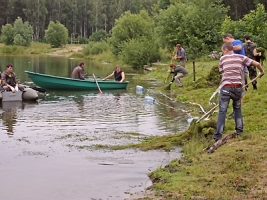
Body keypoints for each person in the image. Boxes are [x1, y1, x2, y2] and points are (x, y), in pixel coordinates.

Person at [213, 42, 264, 141]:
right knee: (237, 109)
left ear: (226, 50)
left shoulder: (222, 59)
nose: (223, 53)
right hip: (238, 88)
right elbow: (257, 63)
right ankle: (239, 131)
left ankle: (218, 135)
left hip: (226, 87)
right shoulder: (241, 57)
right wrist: (262, 71)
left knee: (222, 111)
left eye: (223, 51)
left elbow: (222, 71)